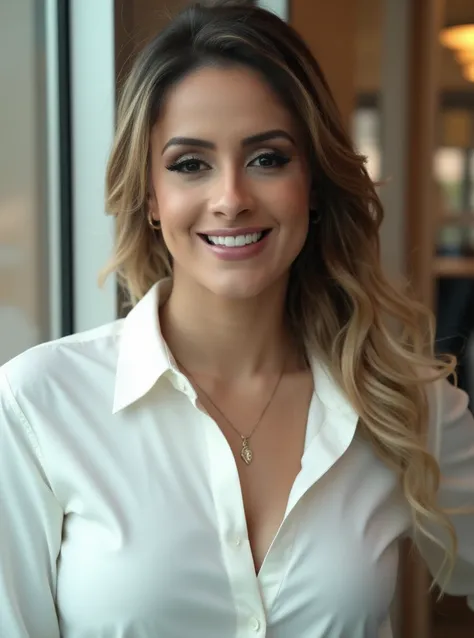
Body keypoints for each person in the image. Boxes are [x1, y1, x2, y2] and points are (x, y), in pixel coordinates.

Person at [1, 2, 473, 637]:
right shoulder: (38, 404)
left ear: (313, 182)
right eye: (190, 164)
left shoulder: (401, 401)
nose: (230, 199)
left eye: (268, 158)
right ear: (150, 196)